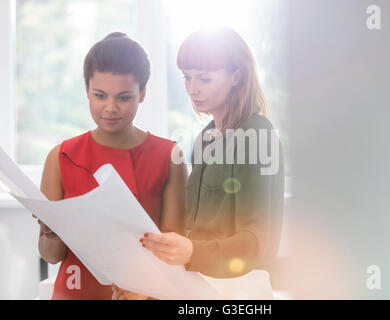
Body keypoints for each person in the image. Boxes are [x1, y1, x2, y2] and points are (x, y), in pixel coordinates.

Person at [37, 32, 187, 300]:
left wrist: (142, 289)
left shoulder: (169, 156)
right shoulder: (61, 156)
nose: (110, 107)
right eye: (100, 95)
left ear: (142, 93)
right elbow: (51, 255)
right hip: (75, 292)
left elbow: (174, 253)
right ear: (87, 92)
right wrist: (50, 229)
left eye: (124, 97)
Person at [139, 27, 284, 283]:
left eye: (204, 79)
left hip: (237, 288)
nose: (192, 89)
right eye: (187, 77)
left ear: (236, 76)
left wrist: (192, 251)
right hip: (200, 283)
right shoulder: (206, 138)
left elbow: (258, 242)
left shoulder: (257, 135)